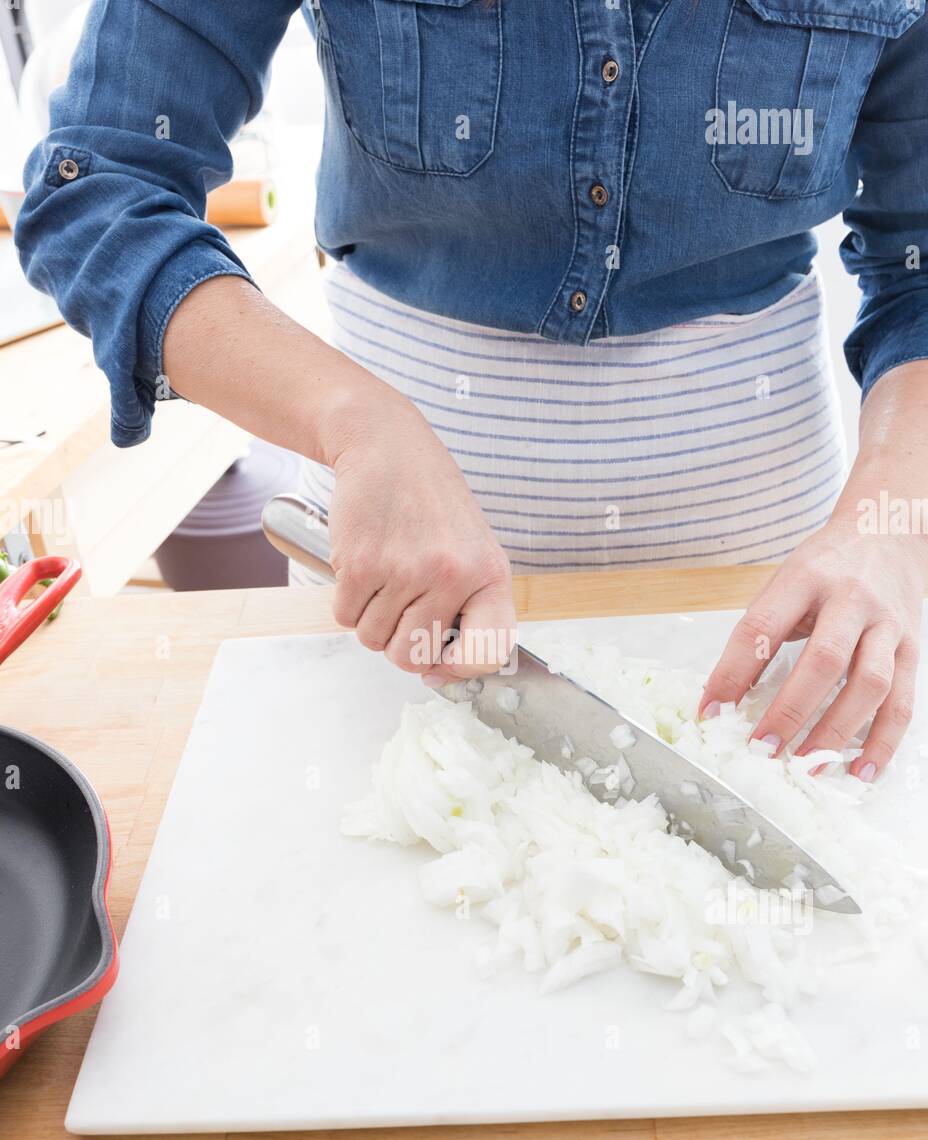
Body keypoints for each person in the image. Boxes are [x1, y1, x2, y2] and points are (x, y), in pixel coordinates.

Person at [15, 0, 928, 780]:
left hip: (765, 594)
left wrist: (892, 531)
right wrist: (356, 421)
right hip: (391, 598)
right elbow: (98, 184)